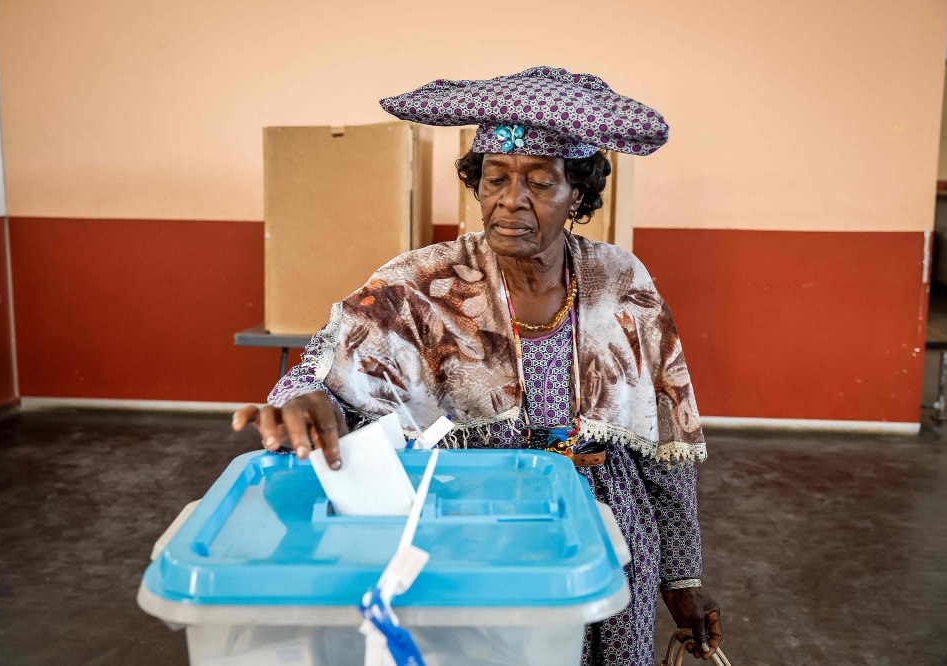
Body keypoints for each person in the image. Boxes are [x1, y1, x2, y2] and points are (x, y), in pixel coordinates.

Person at [233, 66, 722, 664]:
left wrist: (680, 577)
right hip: (472, 529)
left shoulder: (622, 282)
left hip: (605, 537)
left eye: (540, 182)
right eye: (495, 179)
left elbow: (663, 442)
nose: (511, 200)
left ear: (579, 195)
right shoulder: (423, 282)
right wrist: (308, 397)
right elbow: (330, 367)